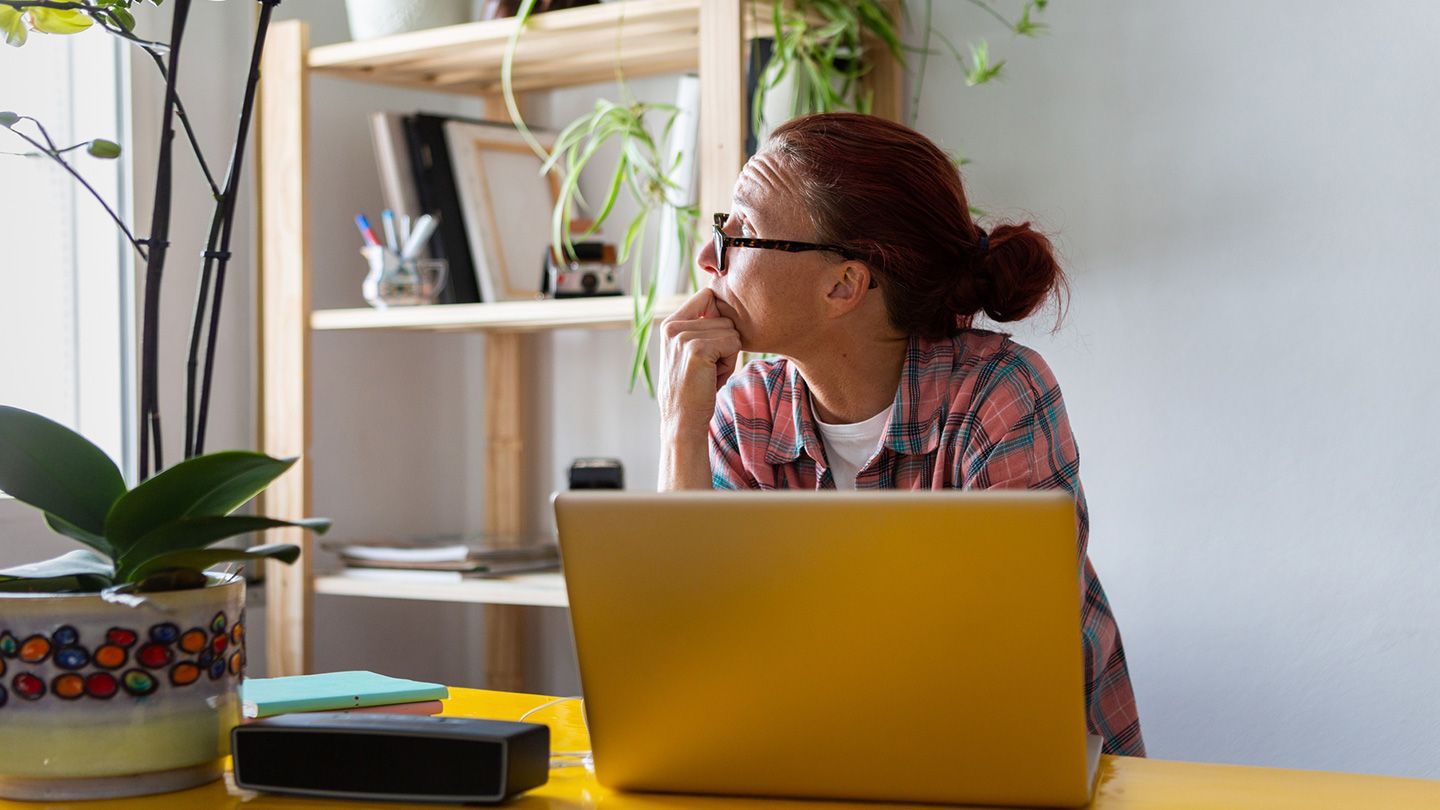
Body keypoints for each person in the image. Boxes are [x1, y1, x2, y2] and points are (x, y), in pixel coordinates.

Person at [656, 112, 1145, 757]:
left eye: (740, 233)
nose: (706, 258)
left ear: (844, 284)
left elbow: (1006, 666)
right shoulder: (747, 414)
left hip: (1014, 767)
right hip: (829, 763)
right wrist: (679, 427)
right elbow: (688, 654)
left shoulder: (998, 396)